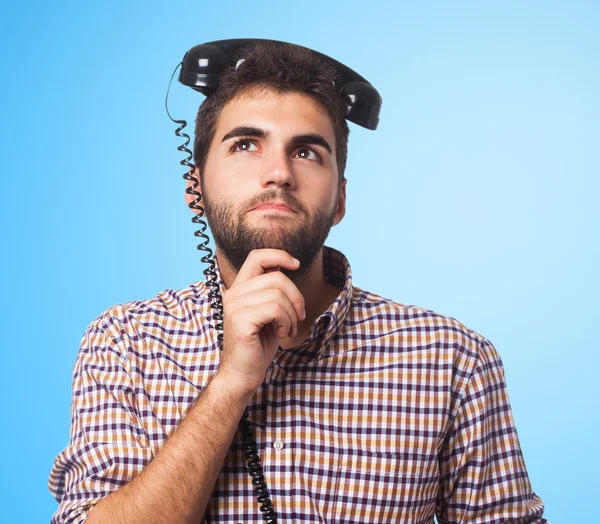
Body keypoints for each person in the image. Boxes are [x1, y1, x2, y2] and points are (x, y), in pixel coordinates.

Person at [48, 40, 549, 523]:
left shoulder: (453, 361)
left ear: (340, 201)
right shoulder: (125, 343)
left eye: (307, 152)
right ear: (194, 188)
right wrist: (230, 385)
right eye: (246, 145)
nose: (278, 174)